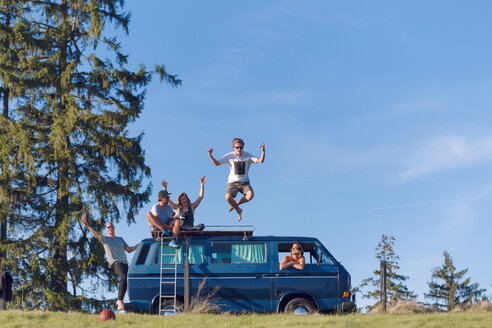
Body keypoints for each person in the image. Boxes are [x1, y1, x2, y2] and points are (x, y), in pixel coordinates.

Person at [81, 214, 138, 311]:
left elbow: (129, 249)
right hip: (116, 263)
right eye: (108, 227)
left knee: (129, 281)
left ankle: (130, 302)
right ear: (106, 230)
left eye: (111, 226)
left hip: (125, 263)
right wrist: (89, 227)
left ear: (114, 228)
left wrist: (139, 245)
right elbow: (96, 235)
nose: (110, 228)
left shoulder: (120, 239)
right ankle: (119, 300)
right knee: (123, 277)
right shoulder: (105, 239)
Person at [208, 137, 265, 221]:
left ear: (243, 147)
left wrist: (263, 152)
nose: (239, 149)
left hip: (244, 182)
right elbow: (217, 164)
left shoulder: (247, 156)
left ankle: (236, 204)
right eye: (237, 147)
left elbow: (261, 160)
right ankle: (238, 209)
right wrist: (210, 155)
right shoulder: (229, 156)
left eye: (241, 147)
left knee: (250, 195)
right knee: (228, 197)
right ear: (233, 148)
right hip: (232, 183)